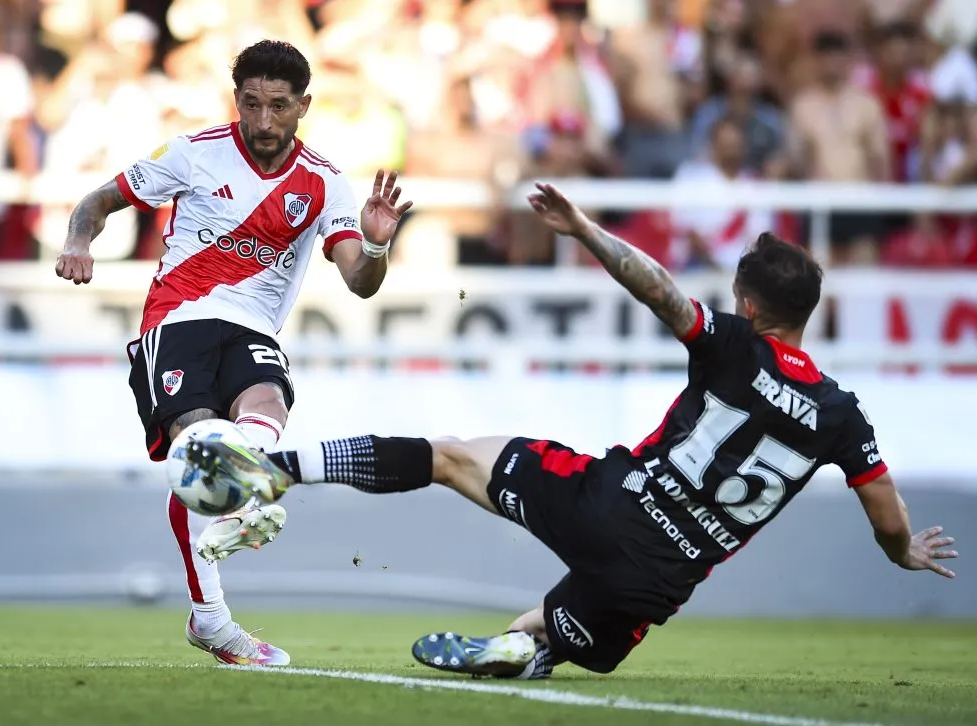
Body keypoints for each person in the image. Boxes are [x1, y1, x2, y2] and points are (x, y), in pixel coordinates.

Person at [180, 181, 957, 680]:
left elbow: (658, 290)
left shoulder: (733, 344)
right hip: (663, 580)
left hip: (613, 505)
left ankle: (281, 468)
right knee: (564, 624)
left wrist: (584, 229)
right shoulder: (841, 412)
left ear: (749, 307)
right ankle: (529, 646)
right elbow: (886, 513)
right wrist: (905, 553)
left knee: (451, 457)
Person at [54, 40, 412, 667]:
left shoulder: (325, 182)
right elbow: (98, 201)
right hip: (180, 318)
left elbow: (360, 281)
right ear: (237, 100)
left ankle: (231, 538)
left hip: (255, 330)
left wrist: (378, 246)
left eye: (279, 106)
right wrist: (77, 241)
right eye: (251, 104)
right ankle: (215, 608)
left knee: (265, 406)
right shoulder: (193, 153)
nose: (264, 121)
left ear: (304, 105)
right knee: (200, 449)